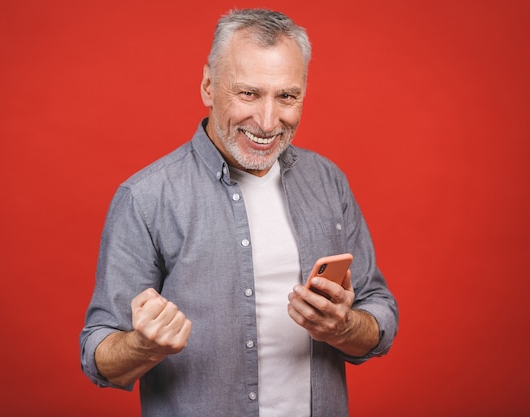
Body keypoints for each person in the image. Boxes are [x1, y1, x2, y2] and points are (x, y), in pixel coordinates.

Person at [80, 8, 398, 417]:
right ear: (209, 87)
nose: (267, 122)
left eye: (286, 96)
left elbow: (378, 311)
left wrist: (343, 327)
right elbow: (97, 354)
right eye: (248, 93)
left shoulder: (327, 181)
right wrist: (144, 345)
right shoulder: (145, 197)